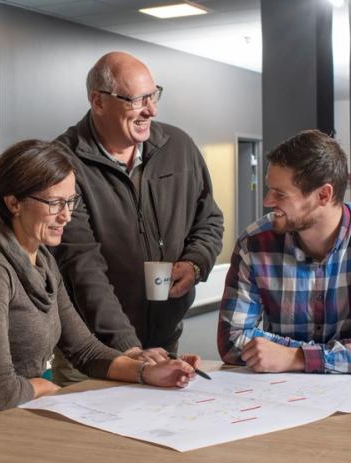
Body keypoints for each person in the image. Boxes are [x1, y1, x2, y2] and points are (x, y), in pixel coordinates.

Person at [0, 140, 200, 424]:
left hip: (22, 420)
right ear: (13, 202)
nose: (66, 215)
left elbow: (85, 349)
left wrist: (144, 371)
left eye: (71, 201)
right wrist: (48, 387)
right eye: (55, 203)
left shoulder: (43, 260)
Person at [52, 51, 224, 385]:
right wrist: (129, 350)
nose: (151, 110)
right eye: (137, 100)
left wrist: (196, 263)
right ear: (98, 101)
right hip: (93, 350)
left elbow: (209, 219)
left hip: (164, 336)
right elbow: (82, 266)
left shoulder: (179, 146)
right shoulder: (64, 162)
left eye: (153, 95)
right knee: (87, 437)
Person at [217, 130, 351, 374]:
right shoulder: (254, 243)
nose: (267, 201)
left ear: (323, 195)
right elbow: (232, 339)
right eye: (270, 189)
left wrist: (297, 357)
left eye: (279, 193)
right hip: (282, 399)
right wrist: (329, 356)